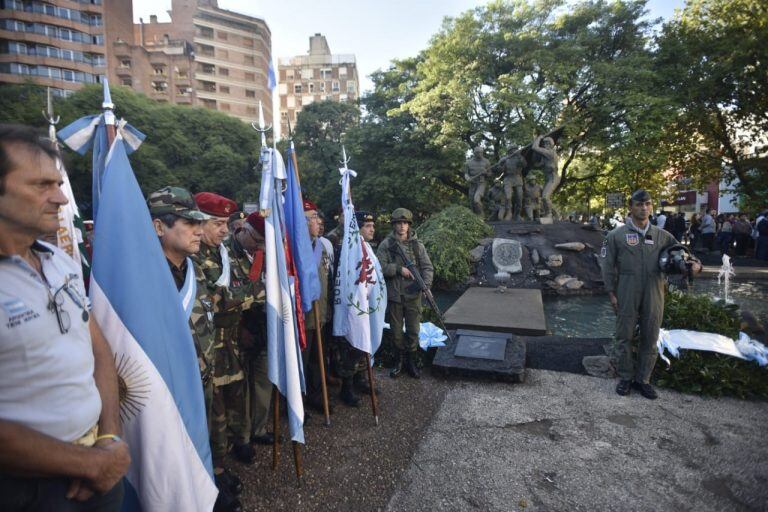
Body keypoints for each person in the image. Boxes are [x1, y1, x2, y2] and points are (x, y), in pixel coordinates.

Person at [0, 124, 130, 511]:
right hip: (27, 491)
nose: (59, 197)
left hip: (97, 469)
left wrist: (108, 440)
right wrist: (88, 463)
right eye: (42, 185)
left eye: (58, 183)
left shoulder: (60, 262)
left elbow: (99, 352)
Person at [146, 187, 241, 512]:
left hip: (202, 380)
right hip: (166, 395)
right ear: (160, 227)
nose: (199, 230)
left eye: (200, 222)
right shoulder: (144, 278)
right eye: (189, 223)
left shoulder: (194, 270)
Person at [601, 189, 701, 400]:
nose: (643, 208)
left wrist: (695, 267)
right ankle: (626, 377)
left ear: (651, 206)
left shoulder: (662, 236)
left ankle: (643, 380)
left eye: (647, 204)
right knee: (623, 336)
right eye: (639, 204)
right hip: (626, 288)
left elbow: (686, 256)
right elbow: (607, 266)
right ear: (630, 207)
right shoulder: (615, 236)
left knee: (651, 335)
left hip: (655, 289)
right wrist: (611, 292)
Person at [192, 193, 253, 478]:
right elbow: (218, 301)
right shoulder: (193, 256)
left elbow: (232, 289)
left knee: (236, 395)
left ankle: (239, 441)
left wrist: (233, 295)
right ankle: (216, 466)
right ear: (199, 223)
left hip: (232, 339)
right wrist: (256, 293)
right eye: (217, 223)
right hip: (210, 346)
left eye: (226, 223)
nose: (224, 230)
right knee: (214, 405)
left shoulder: (223, 252)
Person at [228, 212, 275, 447]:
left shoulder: (265, 253)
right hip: (236, 331)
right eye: (257, 241)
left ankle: (259, 428)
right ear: (243, 231)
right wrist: (240, 330)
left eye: (264, 243)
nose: (261, 247)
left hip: (263, 326)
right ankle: (242, 437)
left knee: (263, 382)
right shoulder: (225, 253)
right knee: (241, 389)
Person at [377, 208, 434, 379]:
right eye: (398, 223)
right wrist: (398, 269)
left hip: (412, 295)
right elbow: (379, 267)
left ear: (409, 225)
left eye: (405, 223)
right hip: (395, 295)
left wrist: (426, 285)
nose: (402, 227)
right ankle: (398, 362)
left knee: (413, 330)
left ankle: (410, 361)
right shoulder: (386, 245)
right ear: (394, 225)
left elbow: (427, 267)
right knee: (395, 332)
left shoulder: (417, 245)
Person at [334, 210, 379, 406]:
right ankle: (347, 388)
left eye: (373, 226)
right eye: (368, 226)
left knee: (362, 344)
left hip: (365, 303)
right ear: (359, 227)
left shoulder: (365, 246)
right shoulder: (349, 247)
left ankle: (361, 379)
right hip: (351, 305)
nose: (372, 229)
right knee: (350, 347)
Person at [301, 199, 335, 412]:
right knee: (302, 363)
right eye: (313, 217)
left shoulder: (320, 245)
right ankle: (298, 404)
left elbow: (325, 277)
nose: (318, 220)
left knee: (317, 360)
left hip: (319, 312)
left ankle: (315, 396)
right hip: (303, 317)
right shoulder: (296, 247)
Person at [463, 146, 491, 215]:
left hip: (481, 183)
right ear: (474, 153)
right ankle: (476, 217)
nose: (480, 154)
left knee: (476, 200)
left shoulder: (486, 161)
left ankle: (482, 215)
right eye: (478, 153)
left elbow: (490, 174)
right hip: (472, 183)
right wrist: (468, 178)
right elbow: (466, 174)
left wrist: (486, 173)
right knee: (472, 202)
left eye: (481, 152)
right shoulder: (468, 163)